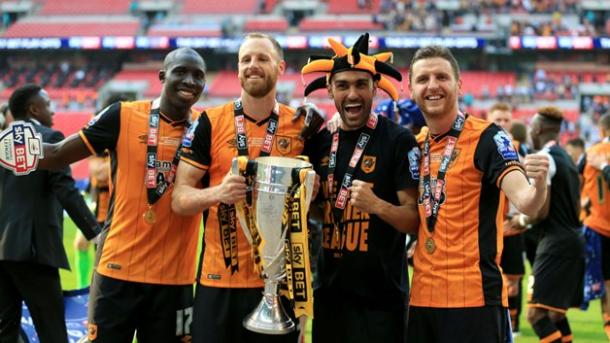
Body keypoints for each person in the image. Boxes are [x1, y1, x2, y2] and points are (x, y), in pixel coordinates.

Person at [16, 48, 207, 342]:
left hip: (174, 280)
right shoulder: (123, 114)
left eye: (198, 75)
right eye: (181, 71)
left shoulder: (206, 128)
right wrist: (16, 154)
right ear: (161, 76)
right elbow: (58, 154)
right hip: (118, 273)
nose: (190, 81)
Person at [171, 33, 322, 343]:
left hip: (280, 284)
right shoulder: (209, 123)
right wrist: (219, 193)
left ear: (280, 67)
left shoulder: (303, 126)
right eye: (246, 60)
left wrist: (314, 189)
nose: (253, 65)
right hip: (218, 281)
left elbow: (319, 204)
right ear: (238, 69)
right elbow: (180, 199)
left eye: (262, 58)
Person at [405, 45, 549, 343]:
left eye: (441, 77)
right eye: (423, 79)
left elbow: (526, 203)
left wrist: (540, 182)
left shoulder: (488, 137)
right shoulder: (414, 145)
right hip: (421, 299)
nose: (432, 85)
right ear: (411, 89)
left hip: (474, 300)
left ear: (459, 84)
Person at [299, 33, 420, 343]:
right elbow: (317, 212)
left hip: (382, 303)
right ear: (329, 90)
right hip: (330, 297)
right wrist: (310, 201)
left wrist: (377, 205)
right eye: (343, 85)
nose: (352, 94)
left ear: (374, 88)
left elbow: (414, 220)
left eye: (360, 85)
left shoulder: (397, 141)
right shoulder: (320, 143)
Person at [0, 84, 100, 343]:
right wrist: (96, 234)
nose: (53, 111)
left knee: (5, 329)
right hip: (33, 249)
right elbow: (66, 190)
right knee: (52, 330)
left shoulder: (1, 141)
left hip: (2, 250)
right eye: (48, 104)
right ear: (33, 108)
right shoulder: (49, 137)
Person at [514, 107, 584, 343]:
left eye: (532, 126)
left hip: (554, 243)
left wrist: (520, 220)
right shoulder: (567, 159)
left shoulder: (543, 159)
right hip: (574, 241)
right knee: (555, 314)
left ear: (539, 128)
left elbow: (539, 212)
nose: (530, 130)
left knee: (535, 314)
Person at [72, 94, 133, 288]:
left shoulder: (134, 134)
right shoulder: (105, 133)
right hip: (104, 208)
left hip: (124, 208)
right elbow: (97, 171)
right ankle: (86, 290)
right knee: (91, 250)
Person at [486, 102, 526, 336]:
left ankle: (515, 325)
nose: (502, 124)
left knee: (513, 281)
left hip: (513, 229)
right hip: (489, 229)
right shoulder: (480, 148)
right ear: (489, 121)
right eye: (497, 120)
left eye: (506, 120)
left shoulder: (523, 151)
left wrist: (520, 219)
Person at [580, 113, 610, 340]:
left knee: (606, 288)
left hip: (598, 226)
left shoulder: (590, 154)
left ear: (601, 131)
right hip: (600, 227)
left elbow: (575, 183)